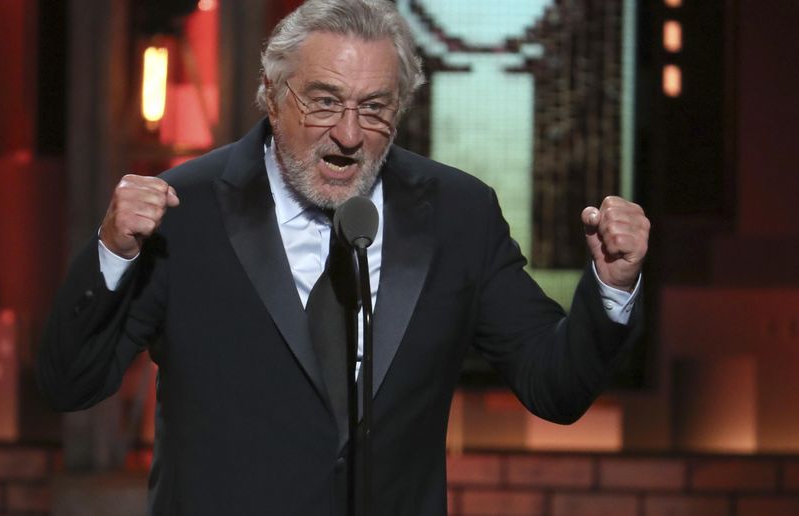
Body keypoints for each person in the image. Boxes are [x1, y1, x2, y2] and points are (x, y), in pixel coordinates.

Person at [38, 1, 649, 515]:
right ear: (271, 96)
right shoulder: (187, 210)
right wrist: (112, 251)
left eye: (374, 107)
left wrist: (612, 286)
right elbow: (71, 382)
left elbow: (554, 385)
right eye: (325, 102)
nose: (350, 135)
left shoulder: (459, 215)